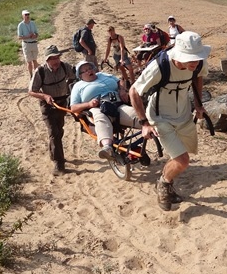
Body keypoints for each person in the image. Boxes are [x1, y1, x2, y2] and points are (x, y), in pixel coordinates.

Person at [129, 31, 211, 211]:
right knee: (183, 160)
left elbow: (198, 77)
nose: (195, 62)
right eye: (191, 58)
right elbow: (134, 91)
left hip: (183, 115)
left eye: (197, 57)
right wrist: (144, 123)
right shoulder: (160, 67)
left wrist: (198, 105)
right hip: (159, 117)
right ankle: (163, 184)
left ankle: (168, 179)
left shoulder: (197, 64)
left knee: (184, 153)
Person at [70, 61, 139, 160]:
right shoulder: (78, 86)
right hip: (97, 107)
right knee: (100, 118)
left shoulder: (102, 75)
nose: (89, 71)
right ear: (80, 76)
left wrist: (122, 90)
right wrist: (88, 104)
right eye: (85, 71)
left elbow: (119, 81)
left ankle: (153, 128)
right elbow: (73, 108)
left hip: (117, 104)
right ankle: (107, 147)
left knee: (136, 115)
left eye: (90, 68)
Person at [28, 45, 77, 176]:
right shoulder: (40, 71)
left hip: (62, 104)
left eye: (57, 57)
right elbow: (31, 91)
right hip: (47, 106)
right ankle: (59, 164)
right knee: (54, 133)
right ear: (47, 60)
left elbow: (75, 75)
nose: (56, 60)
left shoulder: (65, 66)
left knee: (59, 130)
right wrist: (44, 96)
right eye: (52, 58)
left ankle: (54, 154)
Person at [17, 10, 39, 76]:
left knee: (35, 60)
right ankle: (31, 75)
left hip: (34, 43)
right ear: (23, 16)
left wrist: (34, 35)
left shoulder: (33, 23)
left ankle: (36, 75)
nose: (27, 16)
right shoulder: (20, 25)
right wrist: (27, 36)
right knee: (29, 62)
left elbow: (37, 33)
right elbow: (19, 37)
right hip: (26, 44)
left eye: (28, 14)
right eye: (26, 15)